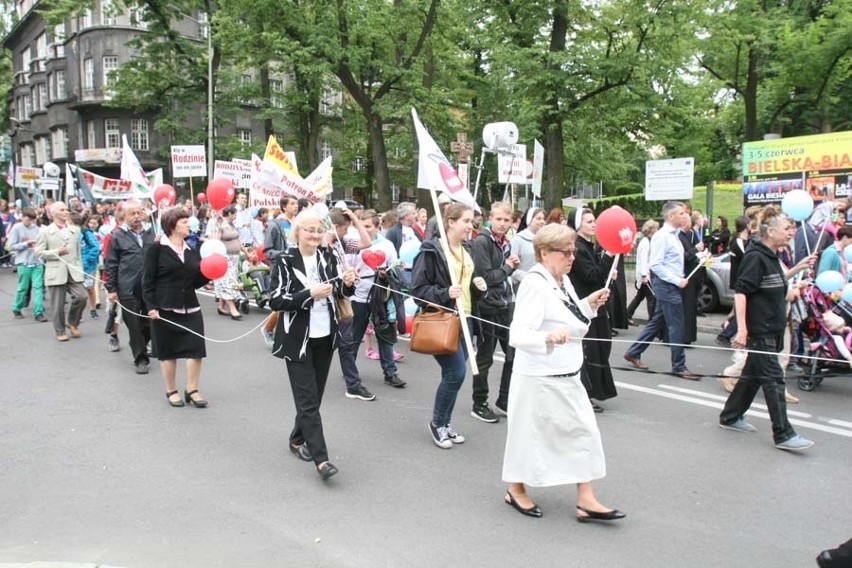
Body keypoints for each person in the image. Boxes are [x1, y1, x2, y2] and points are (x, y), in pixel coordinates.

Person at [502, 223, 624, 523]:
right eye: (566, 253)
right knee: (528, 437)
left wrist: (589, 304)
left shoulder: (561, 281)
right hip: (538, 378)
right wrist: (546, 338)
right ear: (544, 253)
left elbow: (567, 316)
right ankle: (515, 488)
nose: (572, 258)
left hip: (567, 374)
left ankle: (586, 499)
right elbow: (518, 334)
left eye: (573, 252)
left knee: (584, 432)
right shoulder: (535, 282)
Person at [269, 209, 358, 480]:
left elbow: (339, 293)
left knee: (314, 397)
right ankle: (321, 460)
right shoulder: (285, 260)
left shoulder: (328, 256)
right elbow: (275, 300)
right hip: (297, 339)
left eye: (319, 230)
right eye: (309, 229)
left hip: (325, 336)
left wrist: (347, 284)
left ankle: (297, 438)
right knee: (308, 402)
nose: (315, 234)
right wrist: (309, 294)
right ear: (298, 232)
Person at [718, 206, 814, 451]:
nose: (791, 233)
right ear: (770, 232)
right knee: (773, 381)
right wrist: (742, 330)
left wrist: (798, 267)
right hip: (761, 330)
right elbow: (742, 292)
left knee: (751, 377)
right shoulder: (756, 256)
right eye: (786, 229)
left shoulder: (771, 256)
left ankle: (730, 416)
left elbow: (775, 284)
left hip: (773, 327)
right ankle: (783, 433)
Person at [412, 202, 478, 449]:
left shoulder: (467, 248)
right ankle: (437, 423)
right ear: (450, 222)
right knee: (455, 373)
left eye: (472, 222)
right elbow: (418, 290)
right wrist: (445, 293)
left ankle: (445, 423)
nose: (471, 227)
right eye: (466, 221)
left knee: (456, 375)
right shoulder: (432, 250)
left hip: (467, 318)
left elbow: (468, 280)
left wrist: (478, 282)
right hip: (444, 319)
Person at [142, 207, 211, 409]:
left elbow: (195, 281)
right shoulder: (156, 249)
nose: (188, 224)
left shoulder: (192, 249)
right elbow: (147, 281)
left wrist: (210, 273)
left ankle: (192, 389)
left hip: (191, 307)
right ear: (172, 225)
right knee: (168, 352)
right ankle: (171, 390)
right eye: (183, 222)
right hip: (165, 308)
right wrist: (151, 307)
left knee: (196, 350)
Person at [623, 202, 700, 380]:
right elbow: (655, 265)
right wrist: (676, 280)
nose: (685, 216)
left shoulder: (675, 236)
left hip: (670, 285)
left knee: (657, 321)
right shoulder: (662, 237)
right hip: (666, 286)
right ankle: (679, 366)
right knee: (677, 326)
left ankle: (634, 352)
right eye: (681, 213)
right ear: (670, 216)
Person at [470, 201, 518, 421]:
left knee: (513, 355)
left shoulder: (505, 242)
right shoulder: (482, 241)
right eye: (498, 219)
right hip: (487, 306)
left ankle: (505, 400)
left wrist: (509, 268)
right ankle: (479, 402)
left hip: (505, 305)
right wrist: (508, 267)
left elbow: (502, 275)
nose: (502, 224)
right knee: (485, 357)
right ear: (491, 218)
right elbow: (485, 278)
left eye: (506, 220)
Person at [349, 209, 403, 397]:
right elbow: (345, 266)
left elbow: (396, 265)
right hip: (359, 297)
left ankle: (390, 373)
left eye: (368, 226)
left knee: (385, 335)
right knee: (355, 336)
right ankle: (350, 372)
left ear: (377, 226)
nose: (364, 229)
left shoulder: (387, 245)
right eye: (361, 226)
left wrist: (387, 273)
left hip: (381, 298)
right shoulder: (354, 244)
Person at [568, 208, 617, 411]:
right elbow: (590, 275)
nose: (593, 224)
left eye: (594, 220)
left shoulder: (589, 245)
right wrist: (607, 257)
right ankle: (585, 394)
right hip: (584, 305)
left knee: (602, 348)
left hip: (596, 304)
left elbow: (598, 274)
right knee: (589, 352)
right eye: (589, 221)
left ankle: (595, 390)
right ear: (578, 224)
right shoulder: (577, 248)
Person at [105, 201, 157, 374]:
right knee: (133, 324)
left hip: (149, 287)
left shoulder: (152, 234)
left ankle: (140, 343)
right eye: (132, 213)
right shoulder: (117, 236)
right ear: (124, 216)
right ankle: (140, 358)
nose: (136, 216)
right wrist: (111, 289)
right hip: (127, 287)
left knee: (151, 322)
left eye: (139, 213)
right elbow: (111, 264)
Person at [35, 201, 88, 342]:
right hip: (56, 271)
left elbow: (78, 253)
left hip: (74, 270)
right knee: (57, 305)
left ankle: (72, 322)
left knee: (82, 297)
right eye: (62, 210)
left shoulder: (75, 230)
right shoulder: (45, 231)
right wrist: (56, 251)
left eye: (66, 209)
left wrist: (80, 269)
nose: (66, 212)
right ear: (53, 214)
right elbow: (38, 252)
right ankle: (60, 330)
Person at [260, 196, 300, 348]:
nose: (295, 206)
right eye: (292, 204)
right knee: (282, 300)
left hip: (297, 266)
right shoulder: (275, 224)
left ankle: (287, 333)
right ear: (284, 207)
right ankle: (268, 328)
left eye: (296, 203)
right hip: (281, 268)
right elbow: (268, 251)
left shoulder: (297, 223)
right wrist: (284, 254)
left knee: (293, 299)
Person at [716, 215, 751, 347]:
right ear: (746, 226)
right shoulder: (737, 241)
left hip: (743, 278)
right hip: (740, 279)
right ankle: (725, 334)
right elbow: (746, 257)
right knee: (742, 310)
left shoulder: (746, 241)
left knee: (738, 310)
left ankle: (727, 327)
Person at [8, 208, 47, 323]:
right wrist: (26, 244)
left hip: (37, 262)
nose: (30, 222)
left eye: (32, 220)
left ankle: (38, 312)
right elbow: (11, 246)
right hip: (23, 262)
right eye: (28, 219)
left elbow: (42, 243)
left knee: (38, 287)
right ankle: (16, 308)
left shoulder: (37, 229)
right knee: (23, 287)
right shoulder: (16, 228)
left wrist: (38, 247)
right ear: (23, 216)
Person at [210, 204, 247, 319]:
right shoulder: (220, 225)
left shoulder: (232, 225)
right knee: (228, 282)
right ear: (230, 214)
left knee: (229, 280)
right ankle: (232, 308)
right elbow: (215, 241)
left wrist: (246, 252)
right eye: (234, 214)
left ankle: (221, 306)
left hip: (234, 258)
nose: (236, 216)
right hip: (225, 257)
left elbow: (238, 240)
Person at [679, 208, 706, 344]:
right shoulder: (679, 237)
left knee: (691, 307)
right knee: (686, 307)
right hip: (686, 275)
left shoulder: (690, 234)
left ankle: (689, 336)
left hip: (693, 274)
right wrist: (696, 250)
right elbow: (683, 257)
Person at [626, 220, 659, 324]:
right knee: (651, 298)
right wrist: (644, 275)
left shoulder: (649, 241)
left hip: (646, 274)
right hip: (645, 276)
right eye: (656, 229)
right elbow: (643, 260)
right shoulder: (645, 242)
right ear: (652, 230)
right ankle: (652, 321)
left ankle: (627, 314)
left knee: (639, 297)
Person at [510, 207, 546, 291]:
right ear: (529, 220)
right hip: (523, 286)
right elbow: (511, 268)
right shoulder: (517, 240)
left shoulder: (544, 240)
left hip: (542, 287)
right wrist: (530, 278)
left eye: (543, 219)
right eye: (538, 218)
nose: (542, 221)